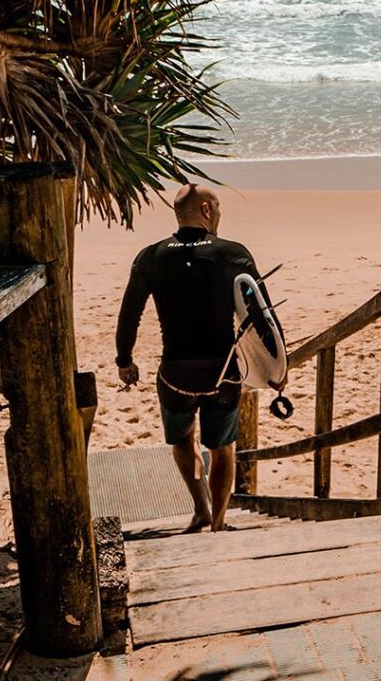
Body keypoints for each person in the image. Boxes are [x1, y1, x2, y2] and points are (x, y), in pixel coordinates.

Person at [114, 183, 273, 533]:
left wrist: (124, 360)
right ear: (206, 210)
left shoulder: (150, 257)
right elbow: (262, 315)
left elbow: (129, 314)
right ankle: (218, 523)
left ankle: (200, 508)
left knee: (183, 440)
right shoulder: (233, 253)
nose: (217, 217)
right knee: (222, 449)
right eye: (216, 211)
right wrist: (276, 367)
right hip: (223, 375)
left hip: (175, 376)